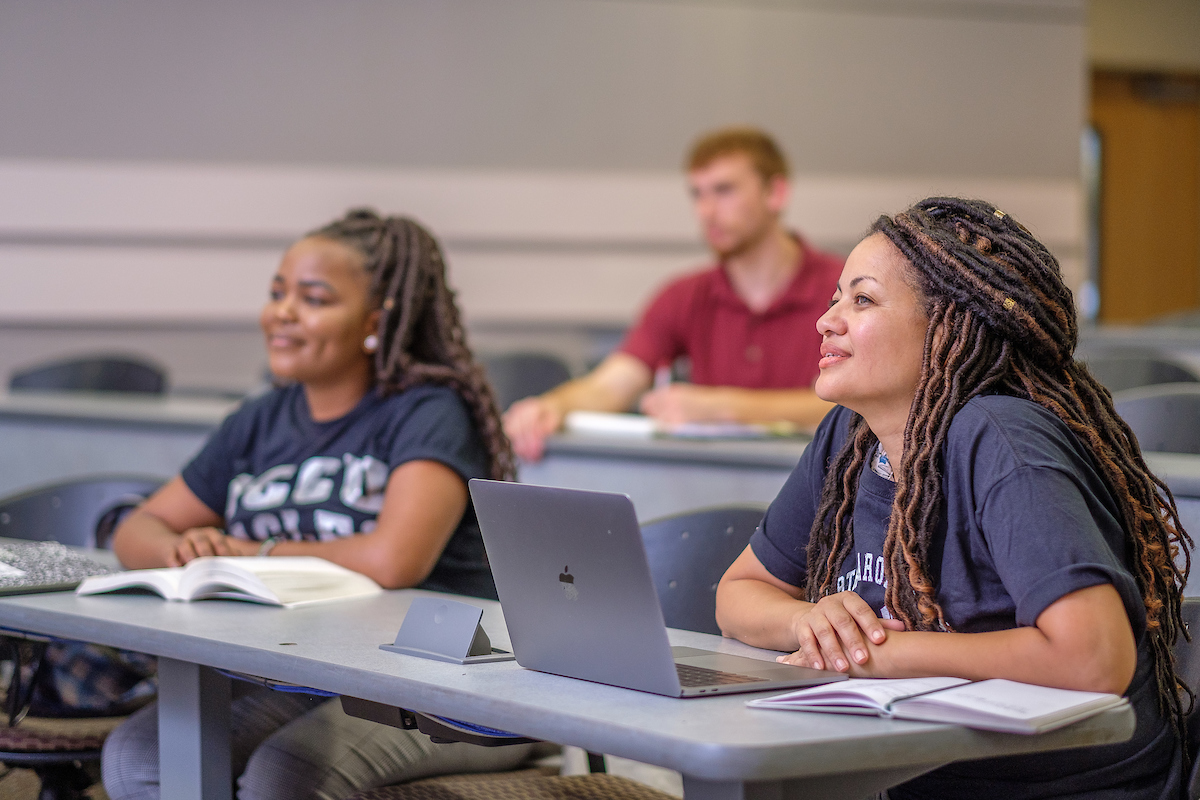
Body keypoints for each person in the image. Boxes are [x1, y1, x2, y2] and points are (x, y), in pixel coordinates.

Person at [716, 197, 1191, 798]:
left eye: (861, 299)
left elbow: (1093, 659)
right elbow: (737, 596)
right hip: (911, 774)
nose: (826, 319)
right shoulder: (849, 436)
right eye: (836, 296)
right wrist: (814, 623)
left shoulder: (1000, 437)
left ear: (948, 324)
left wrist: (880, 654)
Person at [102, 210, 539, 800]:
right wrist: (183, 548)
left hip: (445, 672)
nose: (282, 312)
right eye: (277, 293)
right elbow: (137, 530)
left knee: (286, 776)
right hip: (307, 669)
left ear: (374, 322)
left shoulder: (429, 413)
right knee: (139, 757)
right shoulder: (260, 419)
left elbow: (392, 561)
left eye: (312, 298)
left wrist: (247, 552)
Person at [503, 127, 842, 460]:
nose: (706, 211)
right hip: (714, 483)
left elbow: (849, 406)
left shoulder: (843, 286)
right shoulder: (684, 295)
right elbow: (610, 385)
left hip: (823, 489)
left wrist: (720, 407)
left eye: (724, 190)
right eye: (697, 194)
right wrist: (553, 406)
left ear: (776, 193)